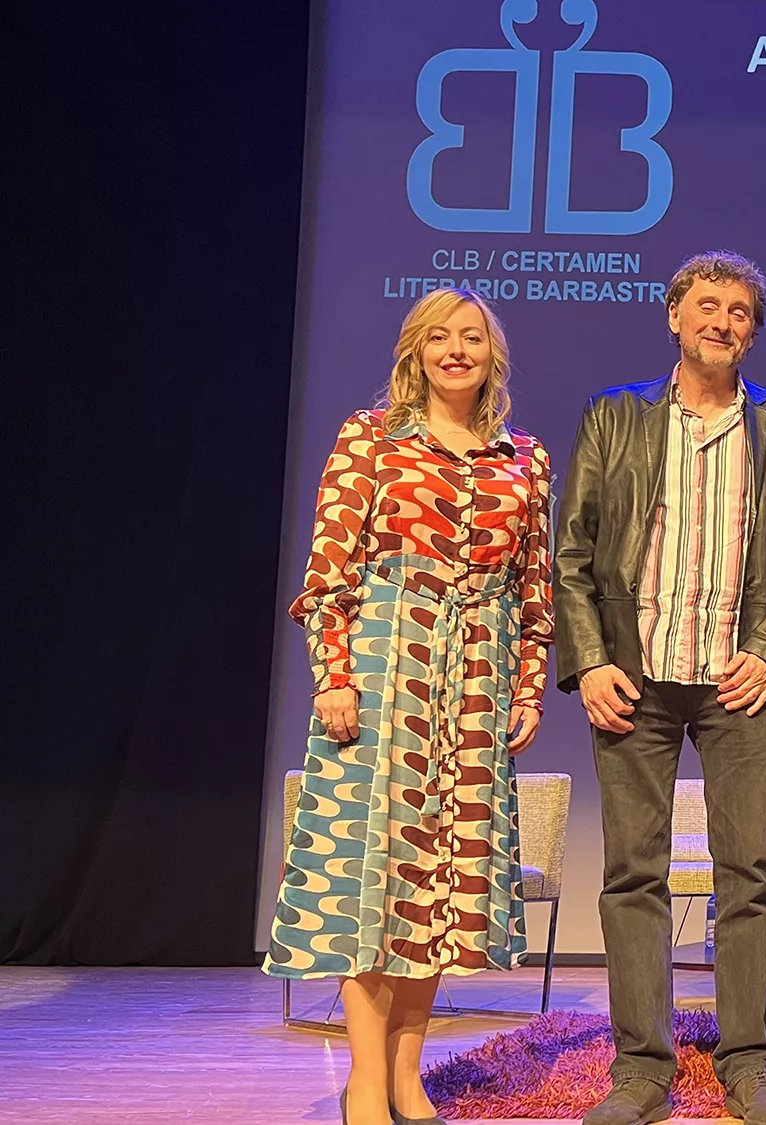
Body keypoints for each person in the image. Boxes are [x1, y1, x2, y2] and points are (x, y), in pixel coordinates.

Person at [266, 288, 552, 1125]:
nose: (456, 349)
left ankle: (406, 1073)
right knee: (372, 879)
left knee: (440, 887)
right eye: (440, 337)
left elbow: (534, 594)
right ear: (415, 351)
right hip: (386, 669)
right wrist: (335, 677)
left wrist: (526, 690)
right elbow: (328, 578)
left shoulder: (523, 458)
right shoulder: (371, 438)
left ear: (492, 357)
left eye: (472, 337)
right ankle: (363, 1077)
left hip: (475, 683)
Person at [553, 250, 766, 1125]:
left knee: (750, 874)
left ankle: (748, 1062)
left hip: (737, 680)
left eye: (741, 311)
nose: (723, 321)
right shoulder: (614, 415)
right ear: (674, 315)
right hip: (633, 675)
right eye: (708, 305)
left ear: (754, 331)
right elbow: (575, 556)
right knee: (635, 874)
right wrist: (590, 659)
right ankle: (641, 1069)